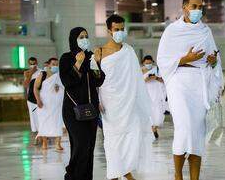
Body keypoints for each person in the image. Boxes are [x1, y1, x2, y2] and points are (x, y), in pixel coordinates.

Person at [157, 0, 223, 180]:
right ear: (184, 7)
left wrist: (213, 61)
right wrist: (185, 59)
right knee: (184, 128)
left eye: (200, 7)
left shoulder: (205, 31)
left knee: (197, 132)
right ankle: (178, 175)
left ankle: (195, 177)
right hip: (178, 81)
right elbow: (162, 60)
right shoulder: (172, 30)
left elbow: (215, 57)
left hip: (200, 82)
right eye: (194, 6)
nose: (197, 10)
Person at [99, 15, 153, 180]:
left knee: (132, 136)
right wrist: (96, 100)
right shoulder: (99, 52)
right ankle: (116, 175)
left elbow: (135, 77)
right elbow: (94, 79)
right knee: (113, 140)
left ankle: (126, 170)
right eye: (117, 29)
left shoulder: (128, 50)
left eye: (122, 29)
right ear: (109, 31)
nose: (120, 32)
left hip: (129, 102)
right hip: (109, 103)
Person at [59, 27, 106, 180]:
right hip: (72, 110)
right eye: (81, 37)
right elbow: (68, 82)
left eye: (86, 36)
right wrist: (78, 64)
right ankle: (72, 176)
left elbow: (99, 81)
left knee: (89, 147)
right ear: (73, 39)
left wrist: (97, 63)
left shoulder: (91, 56)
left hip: (91, 110)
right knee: (81, 144)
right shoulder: (66, 58)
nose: (84, 39)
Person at [34, 57, 64, 151]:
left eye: (57, 64)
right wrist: (38, 100)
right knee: (43, 122)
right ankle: (44, 143)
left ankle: (58, 144)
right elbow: (35, 88)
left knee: (57, 122)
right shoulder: (43, 74)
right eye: (53, 64)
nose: (55, 66)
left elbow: (65, 87)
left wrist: (59, 87)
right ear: (49, 65)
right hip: (44, 103)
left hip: (56, 104)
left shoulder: (60, 75)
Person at [141, 55, 166, 139]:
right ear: (143, 63)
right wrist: (145, 80)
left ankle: (154, 128)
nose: (148, 64)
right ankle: (152, 129)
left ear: (153, 62)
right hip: (146, 95)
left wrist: (155, 77)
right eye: (146, 63)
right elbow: (137, 84)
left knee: (158, 114)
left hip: (157, 95)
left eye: (150, 63)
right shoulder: (139, 71)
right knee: (149, 113)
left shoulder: (157, 69)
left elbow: (164, 80)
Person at [23, 57, 42, 145]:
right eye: (31, 63)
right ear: (28, 64)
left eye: (34, 63)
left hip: (40, 96)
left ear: (37, 62)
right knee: (33, 118)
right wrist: (30, 73)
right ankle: (36, 137)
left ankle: (42, 136)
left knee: (41, 117)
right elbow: (25, 85)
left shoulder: (41, 72)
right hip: (31, 98)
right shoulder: (27, 73)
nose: (33, 65)